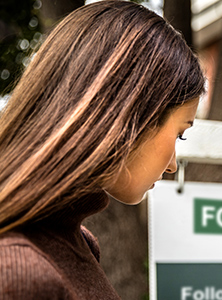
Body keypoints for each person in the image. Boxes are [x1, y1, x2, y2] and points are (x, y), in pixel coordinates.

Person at [0, 0, 205, 298]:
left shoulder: (77, 241)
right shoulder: (19, 271)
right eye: (180, 134)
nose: (173, 163)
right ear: (133, 117)